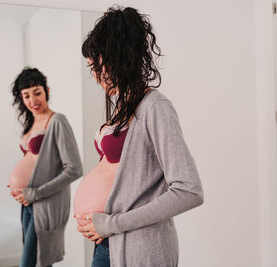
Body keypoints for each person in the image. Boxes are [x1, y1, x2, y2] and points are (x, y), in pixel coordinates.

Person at [73, 6, 204, 267]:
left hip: (138, 248)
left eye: (95, 65)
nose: (94, 75)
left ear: (115, 58)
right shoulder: (121, 106)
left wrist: (111, 223)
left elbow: (189, 191)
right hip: (107, 244)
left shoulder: (155, 107)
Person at [8, 67, 83, 267]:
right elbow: (34, 164)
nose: (33, 100)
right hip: (27, 205)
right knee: (38, 263)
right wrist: (18, 187)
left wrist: (35, 193)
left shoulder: (57, 121)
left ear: (46, 90)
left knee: (32, 263)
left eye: (37, 93)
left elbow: (74, 169)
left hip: (43, 203)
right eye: (26, 96)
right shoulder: (31, 124)